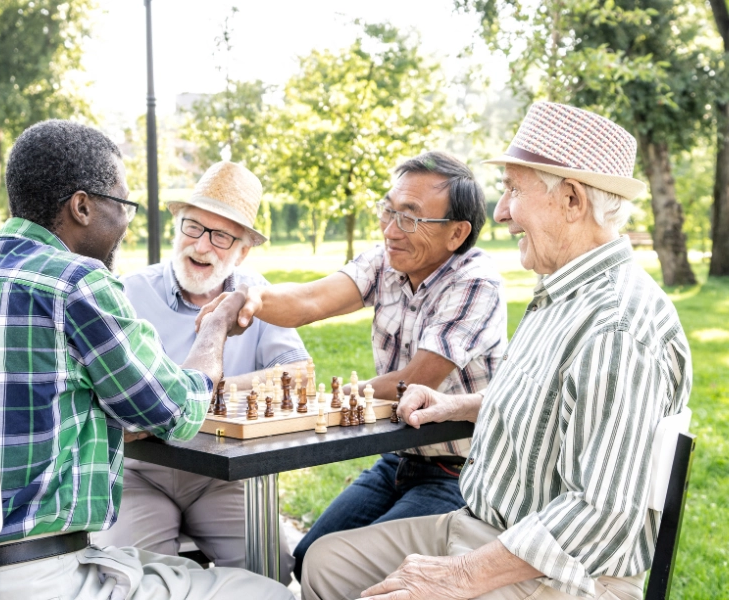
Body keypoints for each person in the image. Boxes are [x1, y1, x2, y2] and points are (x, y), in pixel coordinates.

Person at [299, 102, 693, 600]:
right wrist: (456, 406)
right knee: (323, 563)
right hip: (486, 528)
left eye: (512, 190)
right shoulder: (563, 293)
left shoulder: (616, 326)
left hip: (562, 574)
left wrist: (459, 576)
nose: (501, 211)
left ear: (571, 199)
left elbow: (601, 512)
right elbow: (553, 405)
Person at [0, 120, 293, 600]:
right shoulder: (77, 282)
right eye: (122, 206)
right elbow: (177, 409)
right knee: (268, 593)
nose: (126, 224)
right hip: (47, 578)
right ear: (82, 206)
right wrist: (214, 329)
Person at [200, 151, 508, 581]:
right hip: (397, 459)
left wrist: (325, 398)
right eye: (388, 210)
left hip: (462, 473)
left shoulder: (476, 283)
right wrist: (250, 298)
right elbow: (309, 300)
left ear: (456, 234)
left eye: (409, 217)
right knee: (309, 557)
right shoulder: (386, 260)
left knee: (359, 576)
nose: (389, 229)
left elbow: (416, 382)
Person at [93, 161, 310, 582]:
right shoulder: (128, 293)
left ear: (242, 251)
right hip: (140, 473)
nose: (202, 245)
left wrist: (200, 395)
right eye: (193, 227)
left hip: (225, 476)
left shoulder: (256, 295)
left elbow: (298, 378)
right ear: (177, 226)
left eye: (221, 236)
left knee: (272, 571)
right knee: (134, 581)